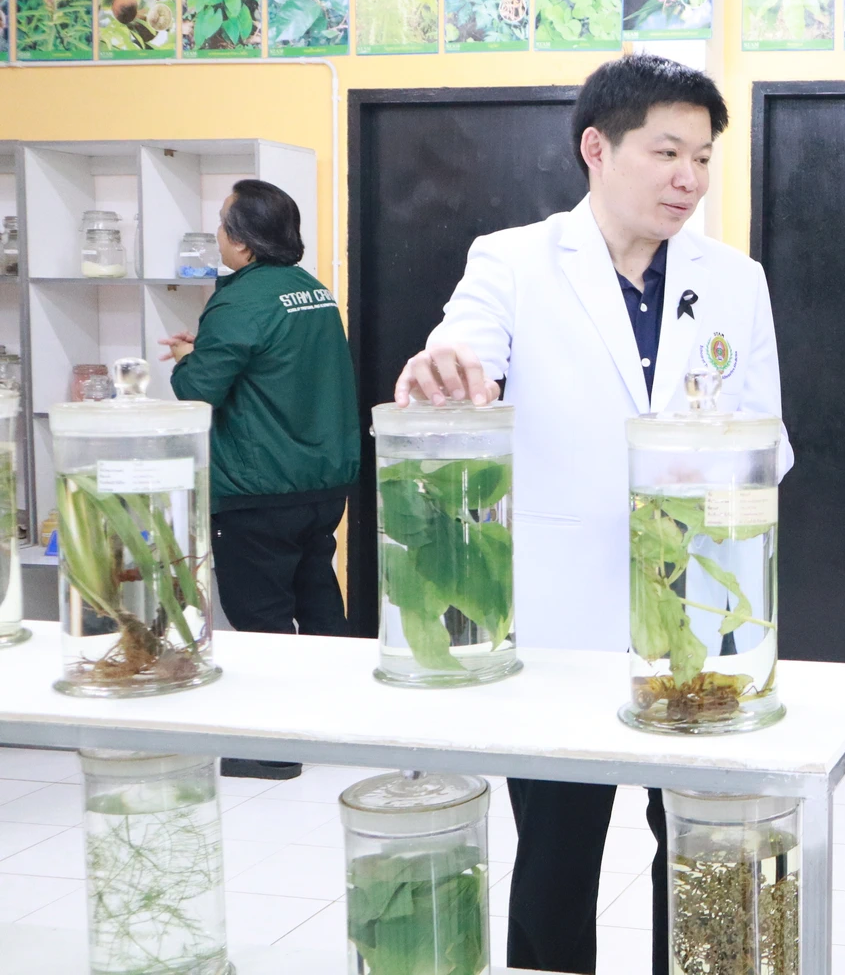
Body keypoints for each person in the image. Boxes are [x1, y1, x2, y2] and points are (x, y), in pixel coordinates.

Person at [394, 55, 791, 975]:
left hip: (701, 619)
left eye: (703, 157)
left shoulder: (736, 280)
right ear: (597, 149)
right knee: (555, 862)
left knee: (699, 852)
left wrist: (702, 469)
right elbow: (462, 350)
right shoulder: (514, 260)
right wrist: (442, 369)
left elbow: (770, 444)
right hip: (560, 619)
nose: (689, 178)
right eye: (667, 152)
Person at [162, 179, 359, 783]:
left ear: (244, 242)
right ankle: (344, 724)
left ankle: (272, 750)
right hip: (320, 482)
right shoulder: (312, 290)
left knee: (261, 616)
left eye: (223, 226)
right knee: (316, 598)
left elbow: (198, 391)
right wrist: (209, 348)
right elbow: (275, 365)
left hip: (258, 488)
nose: (218, 235)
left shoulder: (241, 301)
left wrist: (187, 360)